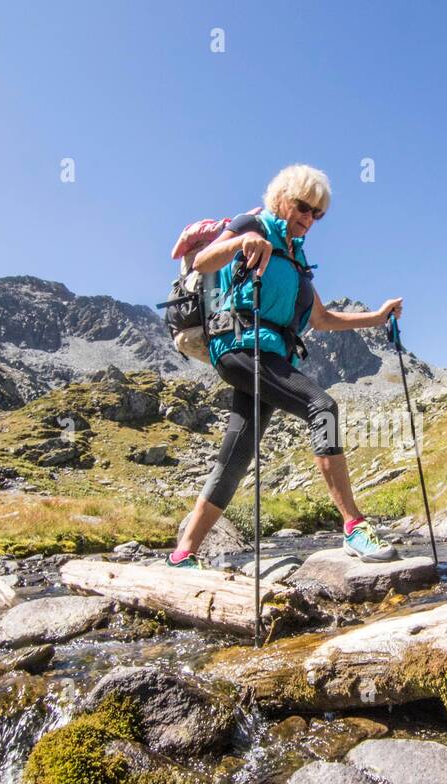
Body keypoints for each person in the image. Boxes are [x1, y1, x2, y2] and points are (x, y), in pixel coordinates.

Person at [167, 164, 404, 569]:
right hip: (239, 347)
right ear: (281, 199)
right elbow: (204, 262)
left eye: (317, 214)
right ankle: (354, 526)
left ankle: (182, 553)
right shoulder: (251, 224)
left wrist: (378, 317)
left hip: (272, 358)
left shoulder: (296, 261)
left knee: (235, 458)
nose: (309, 218)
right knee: (322, 407)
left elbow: (323, 319)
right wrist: (245, 240)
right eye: (303, 207)